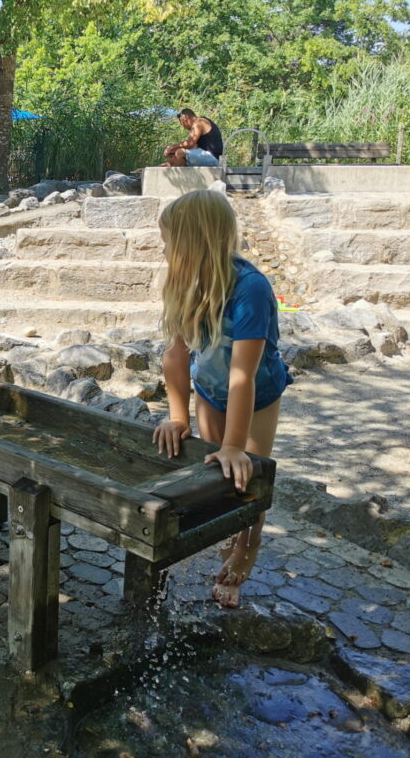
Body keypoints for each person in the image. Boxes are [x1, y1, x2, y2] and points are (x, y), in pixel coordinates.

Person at [151, 189, 291, 608]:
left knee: (248, 477)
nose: (163, 249)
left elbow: (243, 376)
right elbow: (176, 357)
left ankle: (244, 554)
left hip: (258, 391)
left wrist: (234, 445)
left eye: (168, 240)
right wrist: (179, 418)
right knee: (216, 478)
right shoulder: (182, 281)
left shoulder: (251, 290)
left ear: (194, 241)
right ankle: (224, 540)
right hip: (210, 387)